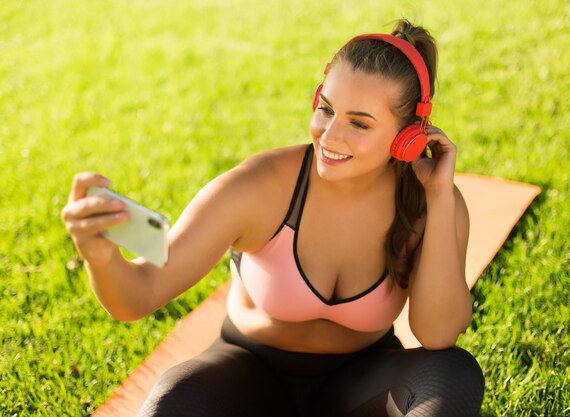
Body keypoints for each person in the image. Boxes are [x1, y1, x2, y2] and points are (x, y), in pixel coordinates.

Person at [62, 19, 484, 417]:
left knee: (455, 375)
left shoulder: (429, 203)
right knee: (171, 404)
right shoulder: (258, 188)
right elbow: (140, 294)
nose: (330, 135)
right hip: (247, 375)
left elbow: (437, 334)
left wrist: (439, 196)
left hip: (358, 388)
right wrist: (103, 258)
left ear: (408, 137)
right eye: (327, 109)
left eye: (359, 123)